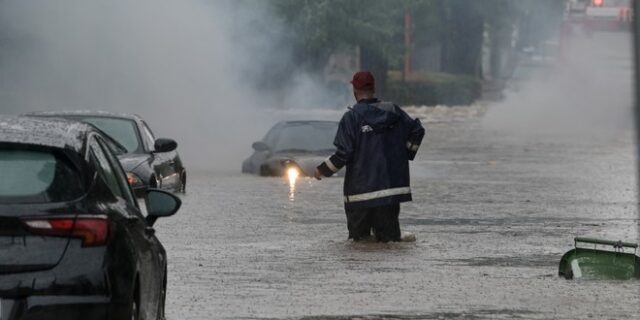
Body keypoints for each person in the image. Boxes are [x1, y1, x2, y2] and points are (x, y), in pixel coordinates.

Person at [314, 71, 425, 242]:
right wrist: (407, 153)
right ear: (374, 88)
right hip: (389, 193)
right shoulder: (393, 111)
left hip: (360, 196)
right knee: (389, 244)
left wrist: (321, 171)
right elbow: (417, 130)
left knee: (359, 245)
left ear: (354, 90)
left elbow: (344, 154)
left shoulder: (351, 118)